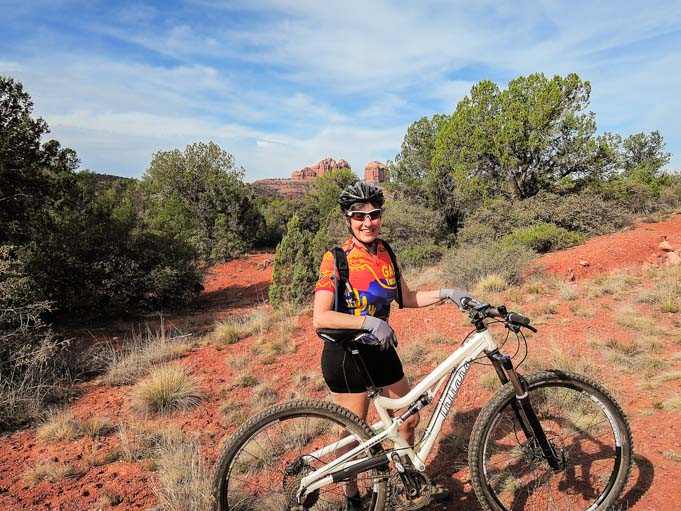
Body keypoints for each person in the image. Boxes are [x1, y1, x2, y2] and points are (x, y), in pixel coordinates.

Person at [312, 181, 470, 510]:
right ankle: (354, 497)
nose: (367, 222)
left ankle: (409, 487)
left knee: (408, 419)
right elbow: (321, 317)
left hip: (381, 352)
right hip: (347, 355)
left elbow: (407, 298)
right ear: (348, 218)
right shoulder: (336, 259)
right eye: (359, 215)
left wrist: (447, 293)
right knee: (355, 436)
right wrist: (368, 321)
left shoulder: (386, 253)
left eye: (374, 214)